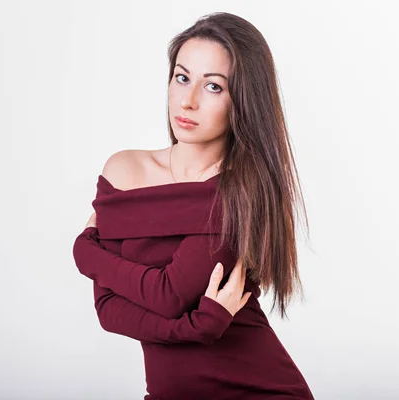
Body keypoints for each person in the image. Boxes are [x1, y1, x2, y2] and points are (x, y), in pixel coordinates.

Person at [73, 12, 314, 399]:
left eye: (213, 87)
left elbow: (167, 296)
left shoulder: (240, 192)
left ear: (243, 101)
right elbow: (108, 310)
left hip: (259, 389)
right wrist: (198, 326)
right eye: (182, 78)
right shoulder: (124, 169)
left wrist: (84, 251)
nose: (188, 100)